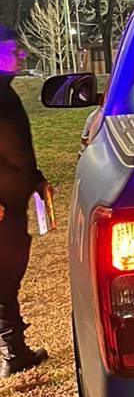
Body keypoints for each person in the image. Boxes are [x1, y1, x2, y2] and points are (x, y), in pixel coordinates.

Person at [0, 24, 48, 377]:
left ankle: (14, 348)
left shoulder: (5, 92)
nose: (22, 54)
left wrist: (35, 178)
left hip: (11, 199)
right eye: (13, 49)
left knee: (9, 274)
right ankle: (13, 352)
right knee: (3, 276)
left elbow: (14, 148)